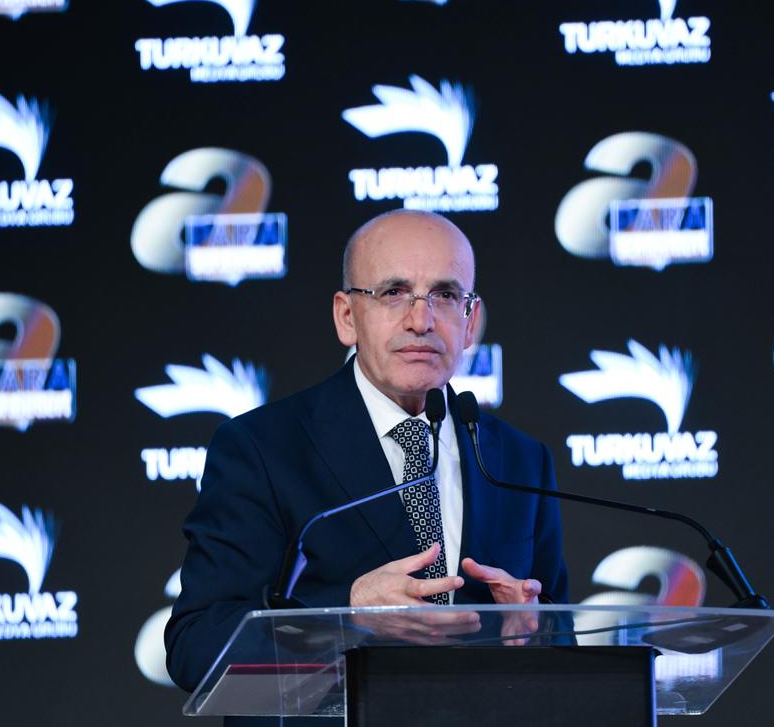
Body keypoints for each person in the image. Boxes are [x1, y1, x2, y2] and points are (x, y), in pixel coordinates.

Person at [165, 209, 569, 695]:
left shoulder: (520, 460)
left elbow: (560, 637)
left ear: (470, 322)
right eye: (393, 292)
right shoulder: (261, 449)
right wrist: (346, 619)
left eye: (445, 295)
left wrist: (532, 635)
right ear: (346, 317)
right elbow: (197, 648)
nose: (421, 321)